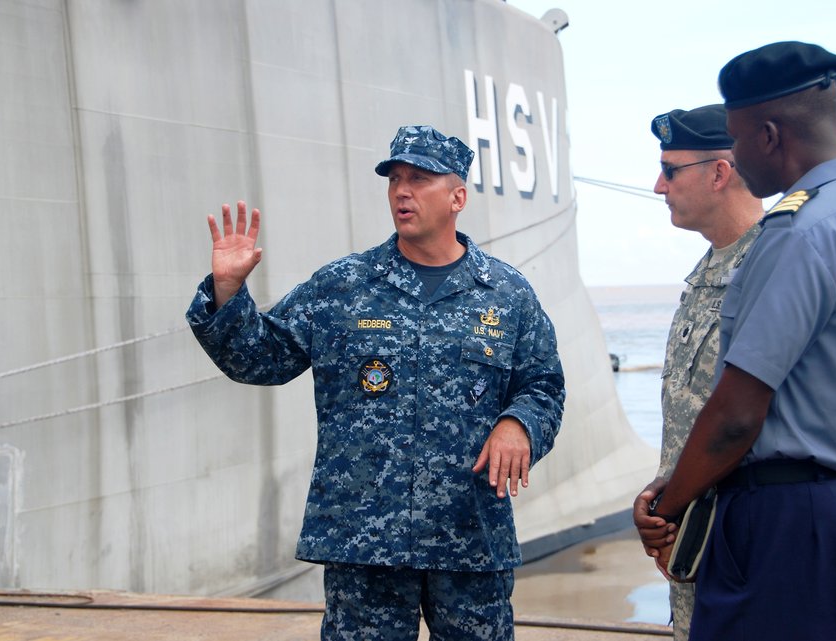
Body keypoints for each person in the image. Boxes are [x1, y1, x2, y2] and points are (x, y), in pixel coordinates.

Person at [186, 124, 565, 641]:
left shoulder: (506, 294)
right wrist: (228, 294)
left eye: (420, 179)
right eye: (395, 179)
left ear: (458, 196)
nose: (402, 191)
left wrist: (518, 425)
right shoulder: (342, 285)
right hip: (365, 541)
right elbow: (263, 361)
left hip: (468, 536)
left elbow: (542, 384)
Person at [637, 41, 836, 641]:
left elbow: (737, 415)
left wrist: (667, 509)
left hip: (792, 528)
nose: (734, 154)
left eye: (736, 140)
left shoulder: (795, 233)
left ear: (767, 135)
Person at [633, 103, 762, 641]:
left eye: (670, 170)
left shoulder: (771, 267)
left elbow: (745, 419)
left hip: (746, 546)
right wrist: (661, 507)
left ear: (719, 172)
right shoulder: (706, 273)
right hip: (692, 544)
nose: (658, 186)